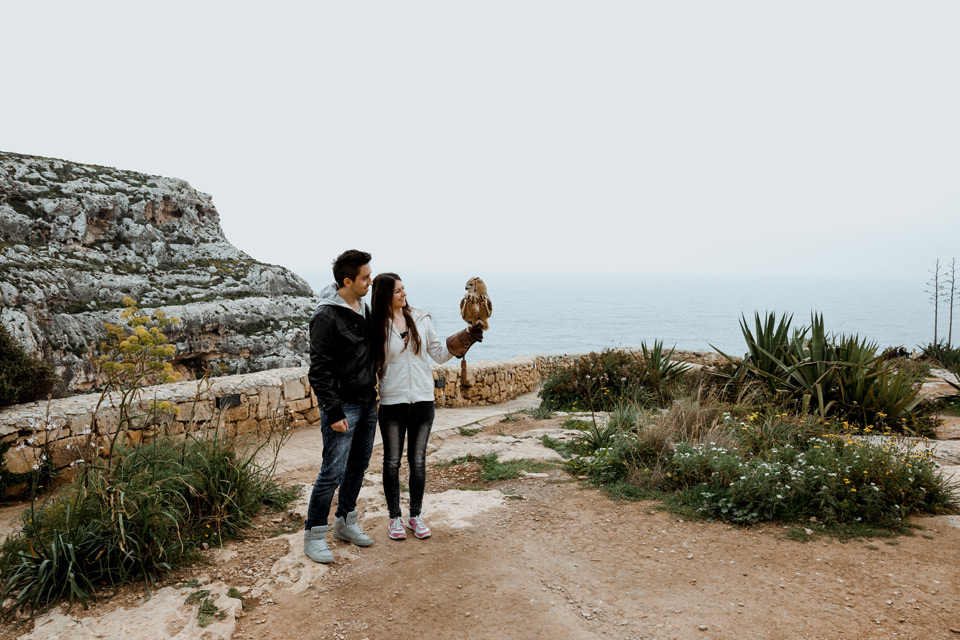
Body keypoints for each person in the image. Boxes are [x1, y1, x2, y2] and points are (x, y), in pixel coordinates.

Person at [370, 273, 482, 540]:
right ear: (385, 295)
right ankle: (394, 518)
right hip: (391, 402)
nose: (404, 294)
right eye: (398, 291)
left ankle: (415, 516)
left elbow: (440, 355)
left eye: (404, 288)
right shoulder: (375, 325)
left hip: (422, 401)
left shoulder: (421, 319)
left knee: (418, 461)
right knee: (391, 462)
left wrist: (467, 336)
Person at [303, 250, 378, 564]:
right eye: (364, 277)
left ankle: (345, 523)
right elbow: (319, 370)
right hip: (343, 406)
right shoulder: (325, 316)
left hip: (367, 402)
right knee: (331, 473)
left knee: (358, 466)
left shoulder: (364, 308)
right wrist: (333, 412)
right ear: (347, 281)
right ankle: (315, 534)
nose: (369, 282)